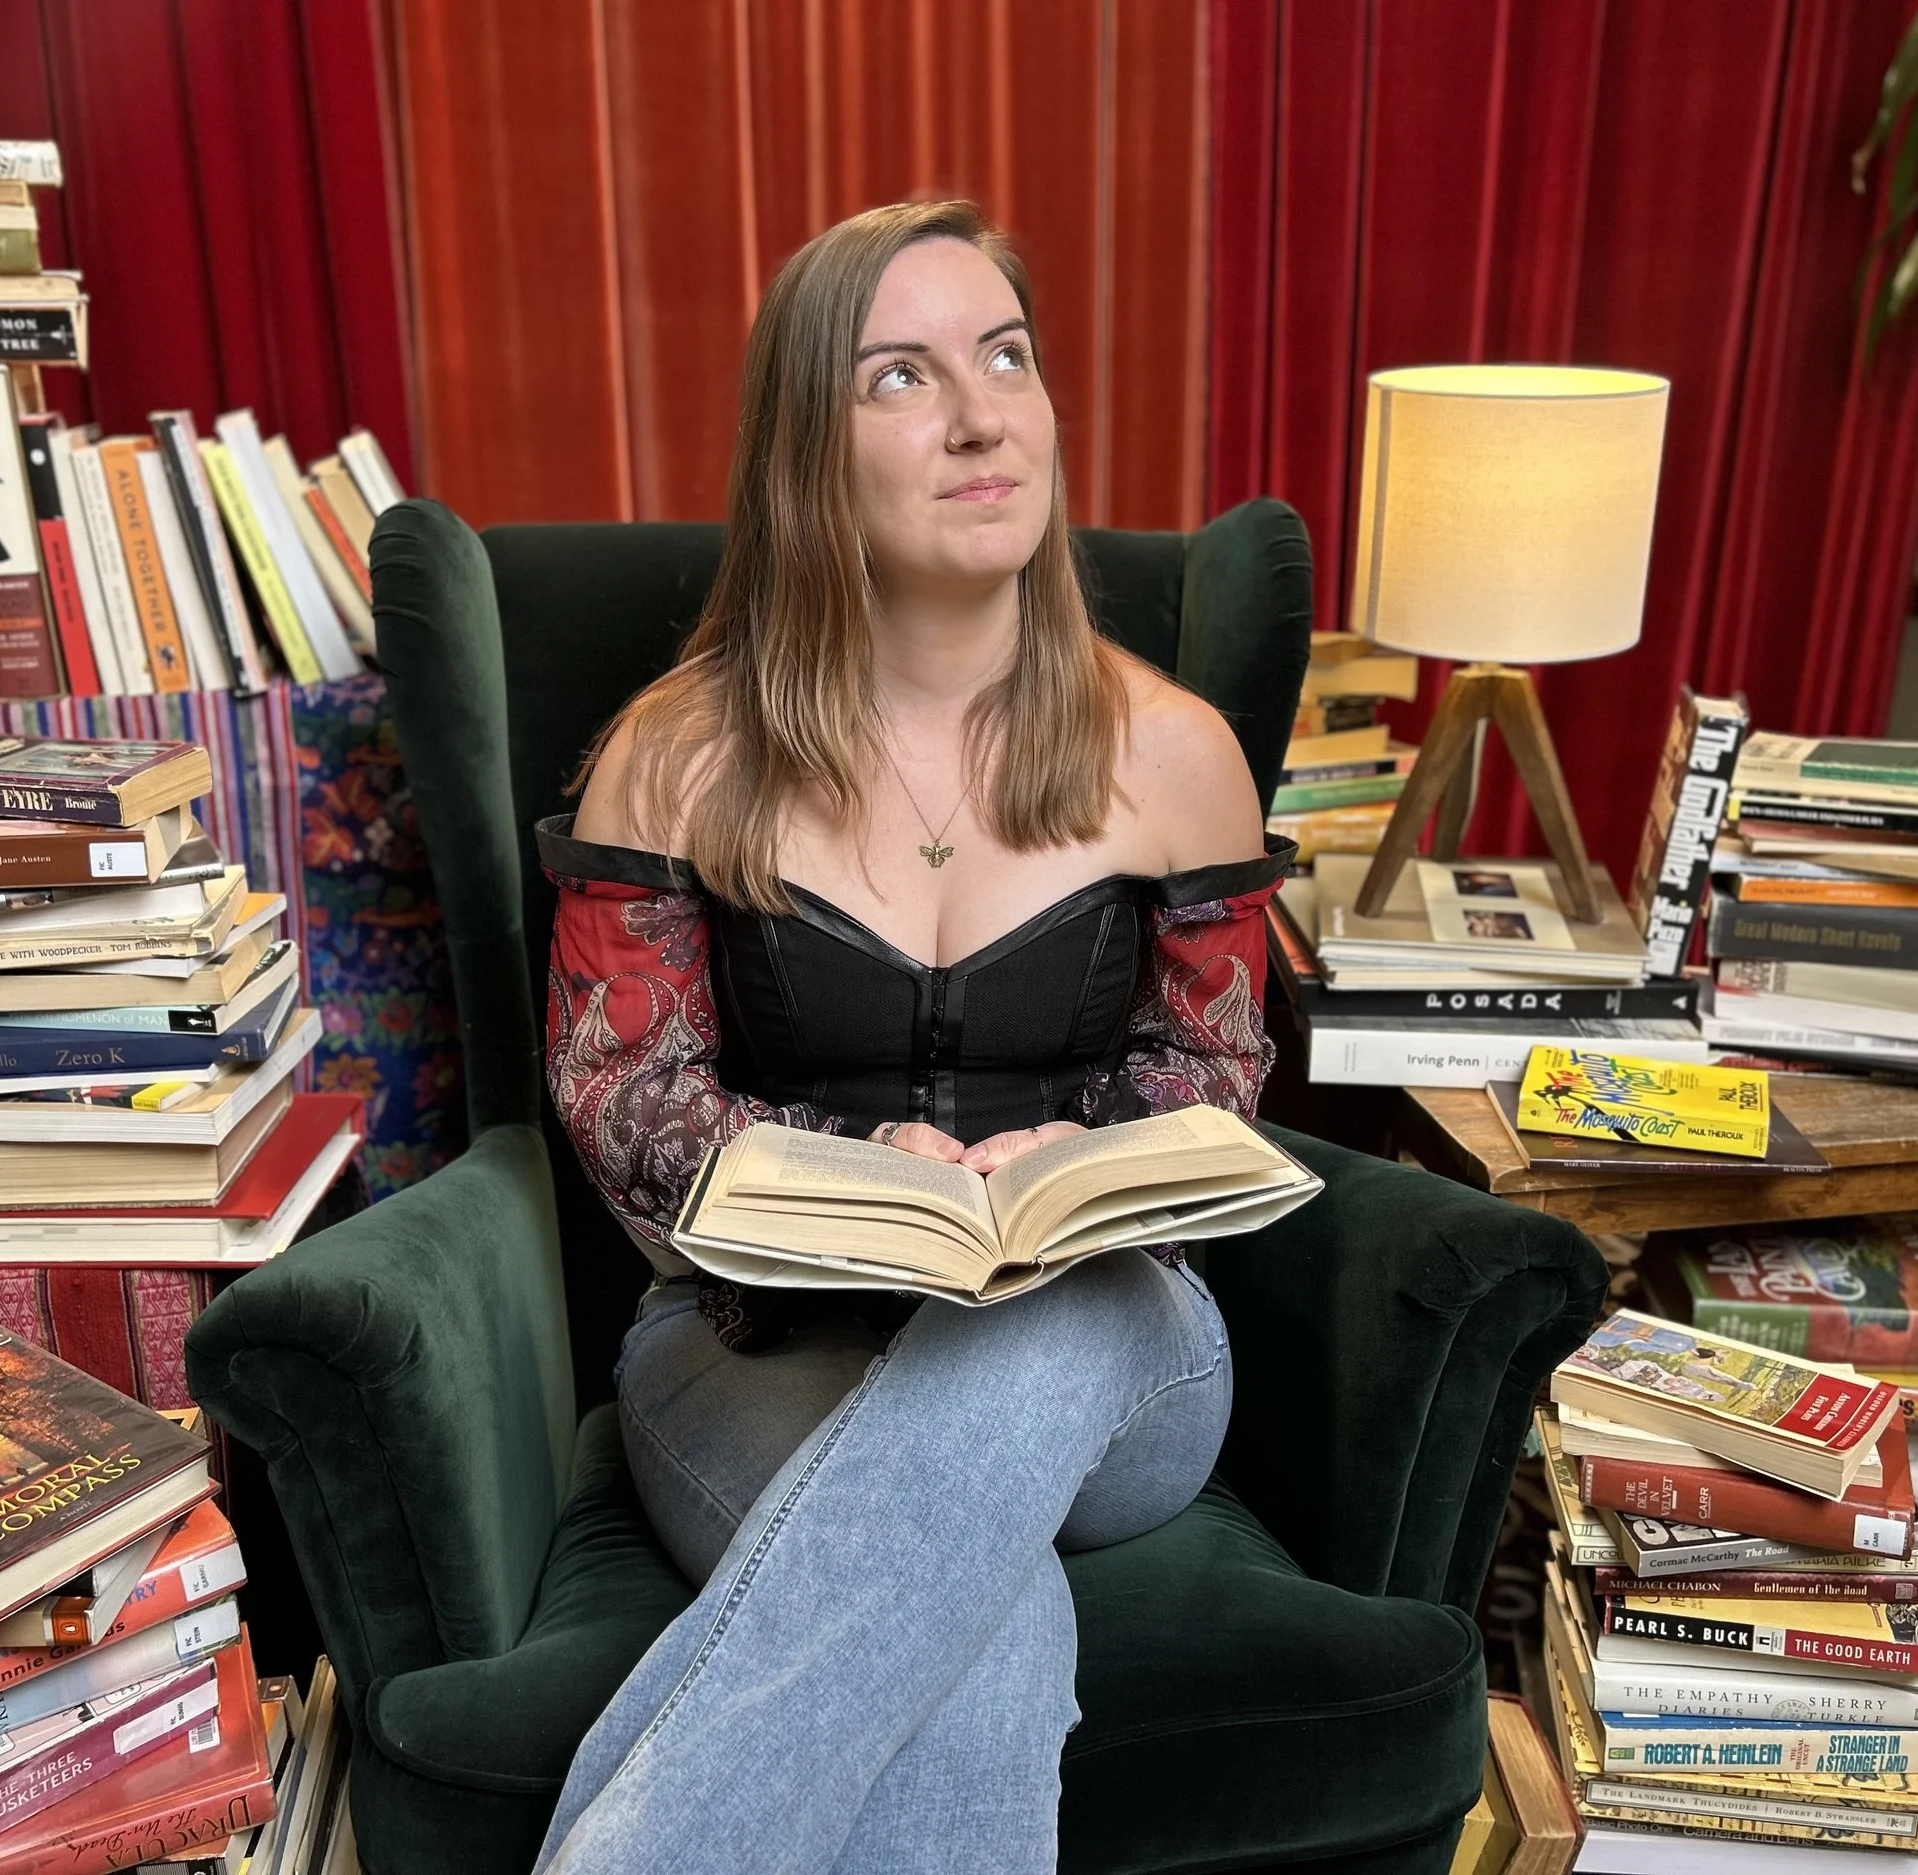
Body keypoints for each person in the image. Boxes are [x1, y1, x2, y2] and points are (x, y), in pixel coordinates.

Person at [531, 199, 1292, 1875]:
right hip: (753, 1349)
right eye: (902, 376)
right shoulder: (674, 755)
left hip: (1113, 1352)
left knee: (1050, 1332)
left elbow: (1214, 1085)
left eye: (1005, 358)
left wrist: (1076, 1164)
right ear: (808, 452)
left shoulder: (1179, 754)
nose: (979, 416)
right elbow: (621, 1100)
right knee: (980, 1617)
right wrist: (856, 1167)